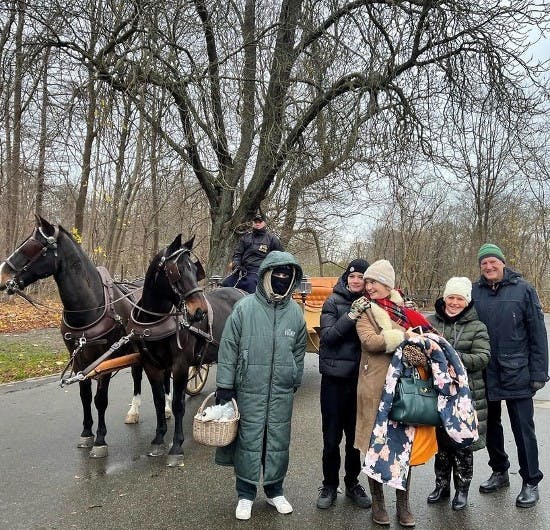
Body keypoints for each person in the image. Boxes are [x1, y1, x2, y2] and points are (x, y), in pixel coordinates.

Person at [215, 250, 307, 521]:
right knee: (249, 440)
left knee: (276, 442)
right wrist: (225, 386)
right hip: (249, 389)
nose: (281, 279)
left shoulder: (296, 313)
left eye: (286, 276)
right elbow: (229, 348)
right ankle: (245, 495)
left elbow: (300, 351)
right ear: (266, 274)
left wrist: (294, 377)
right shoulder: (244, 308)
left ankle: (274, 490)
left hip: (281, 392)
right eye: (277, 274)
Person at [354, 259, 437, 527]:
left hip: (404, 388)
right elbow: (371, 342)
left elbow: (427, 339)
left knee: (404, 445)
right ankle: (378, 503)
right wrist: (404, 337)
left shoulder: (404, 310)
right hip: (375, 387)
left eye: (373, 282)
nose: (368, 286)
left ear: (387, 284)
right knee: (373, 446)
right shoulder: (364, 310)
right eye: (366, 282)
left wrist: (419, 347)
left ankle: (403, 503)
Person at [473, 243, 549, 508]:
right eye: (484, 263)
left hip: (517, 372)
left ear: (503, 263)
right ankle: (500, 471)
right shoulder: (474, 291)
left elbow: (538, 334)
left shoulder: (524, 290)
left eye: (493, 261)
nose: (489, 266)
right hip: (486, 371)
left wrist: (539, 372)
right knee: (491, 426)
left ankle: (530, 480)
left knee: (523, 429)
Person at [426, 277, 490, 510]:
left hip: (466, 396)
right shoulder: (430, 322)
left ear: (467, 301)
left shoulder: (477, 327)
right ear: (444, 298)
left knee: (462, 447)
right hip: (438, 395)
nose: (454, 302)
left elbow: (483, 357)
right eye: (450, 297)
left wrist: (455, 358)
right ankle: (441, 485)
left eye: (459, 298)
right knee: (441, 445)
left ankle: (462, 490)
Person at [316, 258, 372, 510]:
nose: (356, 280)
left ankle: (352, 483)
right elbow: (328, 337)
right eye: (352, 276)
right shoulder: (332, 302)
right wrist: (351, 315)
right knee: (331, 437)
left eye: (361, 277)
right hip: (334, 381)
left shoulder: (374, 304)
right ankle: (329, 484)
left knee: (354, 439)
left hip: (360, 380)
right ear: (346, 278)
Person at [221, 212, 283, 293]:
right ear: (253, 223)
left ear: (264, 223)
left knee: (250, 284)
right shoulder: (245, 238)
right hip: (243, 270)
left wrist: (271, 270)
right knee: (226, 283)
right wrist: (237, 265)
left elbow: (280, 257)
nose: (257, 224)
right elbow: (237, 254)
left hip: (261, 271)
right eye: (255, 222)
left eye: (259, 222)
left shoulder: (272, 239)